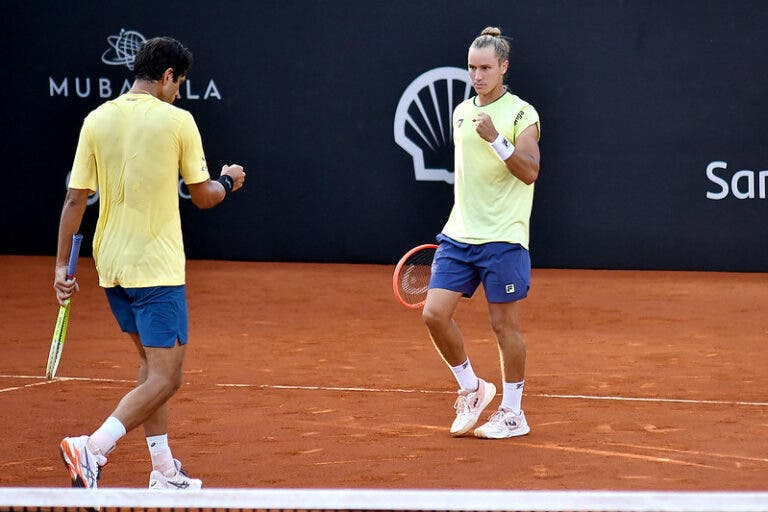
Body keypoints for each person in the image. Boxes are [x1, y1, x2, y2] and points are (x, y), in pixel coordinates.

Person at [54, 36, 246, 489]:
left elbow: (74, 198)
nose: (178, 91)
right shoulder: (178, 120)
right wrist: (229, 181)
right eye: (178, 83)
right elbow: (203, 196)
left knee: (149, 368)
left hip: (112, 267)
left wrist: (62, 267)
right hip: (156, 269)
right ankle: (93, 447)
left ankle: (162, 469)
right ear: (167, 77)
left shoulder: (97, 119)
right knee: (167, 377)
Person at [422, 26, 541, 439]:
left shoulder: (522, 114)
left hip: (504, 236)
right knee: (434, 314)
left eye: (485, 68)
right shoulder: (460, 111)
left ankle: (513, 412)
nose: (477, 76)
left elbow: (529, 171)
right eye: (472, 68)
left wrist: (497, 140)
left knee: (503, 327)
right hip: (459, 234)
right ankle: (473, 389)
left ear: (503, 67)